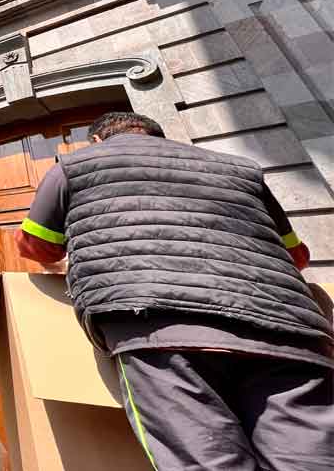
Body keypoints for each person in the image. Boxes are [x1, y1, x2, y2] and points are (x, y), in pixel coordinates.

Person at [16, 111, 333, 471]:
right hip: (288, 331)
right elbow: (297, 256)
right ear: (160, 137)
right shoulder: (242, 169)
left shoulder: (76, 164)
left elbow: (35, 244)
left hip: (158, 327)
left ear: (97, 140)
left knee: (207, 461)